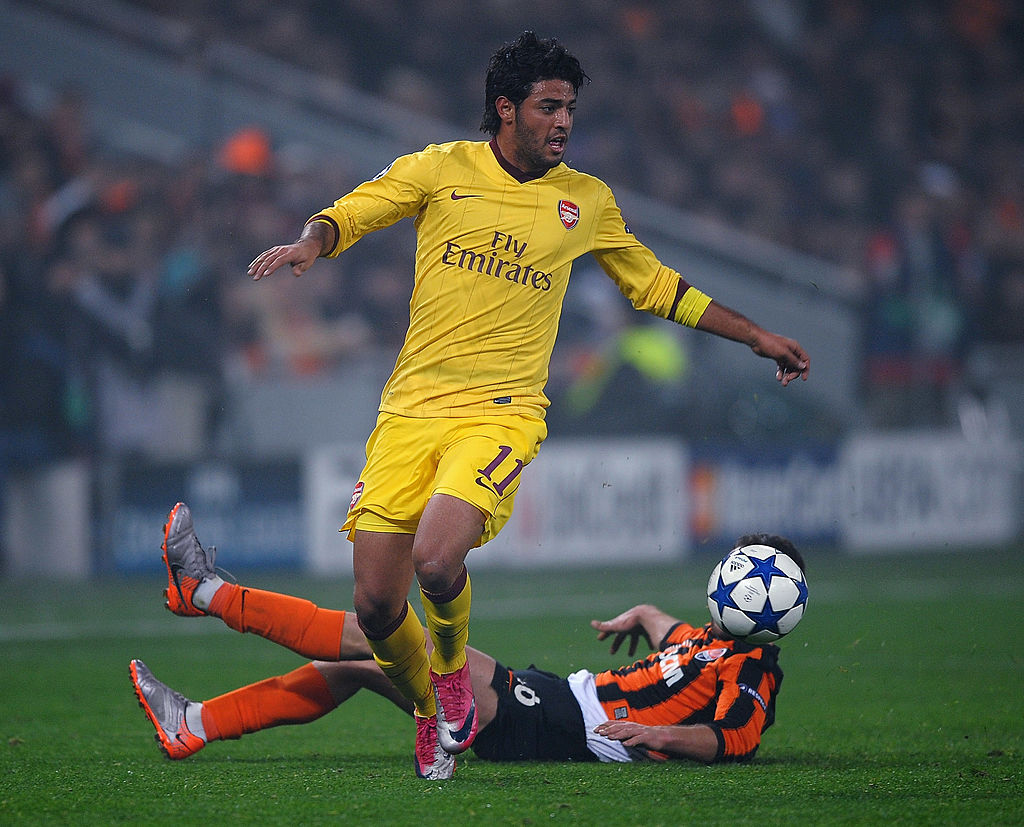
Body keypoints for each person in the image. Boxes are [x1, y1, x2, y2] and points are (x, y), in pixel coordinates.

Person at [238, 31, 810, 779]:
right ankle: (431, 708)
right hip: (410, 409)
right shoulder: (441, 168)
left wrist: (755, 334)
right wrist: (314, 242)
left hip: (501, 412)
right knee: (376, 606)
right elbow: (360, 207)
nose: (563, 121)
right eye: (548, 107)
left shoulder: (586, 199)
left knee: (436, 559)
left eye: (569, 107)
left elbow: (655, 285)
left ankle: (449, 683)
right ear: (505, 109)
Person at [137, 507, 803, 767]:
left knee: (373, 637)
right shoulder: (707, 642)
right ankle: (193, 722)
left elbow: (733, 738)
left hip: (560, 729)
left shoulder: (752, 671)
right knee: (357, 659)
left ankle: (206, 594)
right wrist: (645, 612)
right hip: (550, 696)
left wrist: (653, 736)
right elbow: (669, 631)